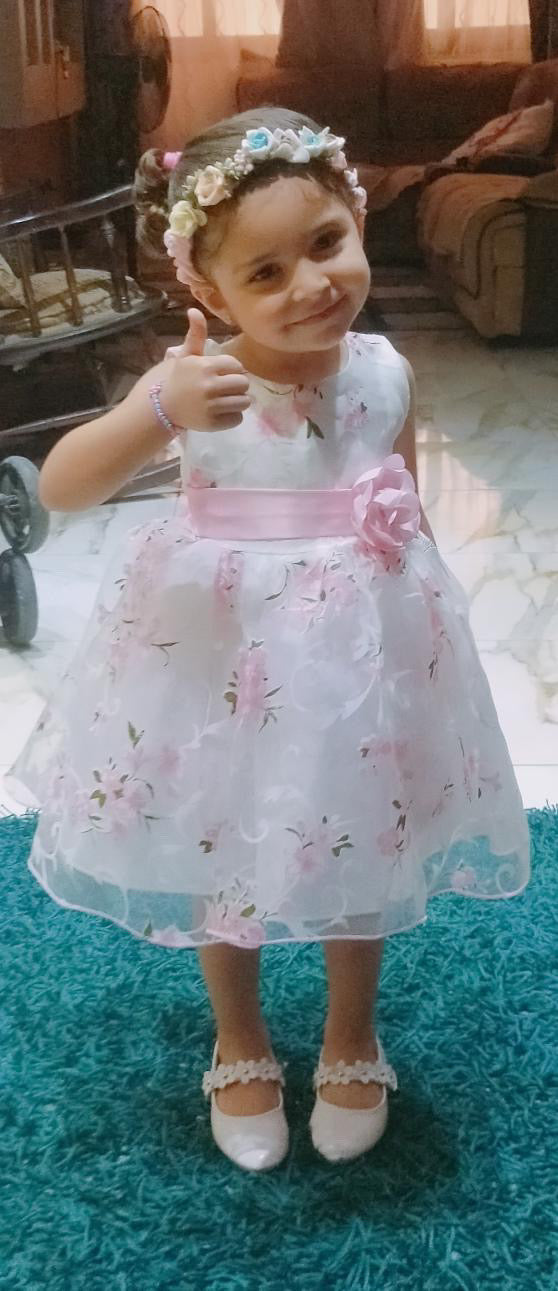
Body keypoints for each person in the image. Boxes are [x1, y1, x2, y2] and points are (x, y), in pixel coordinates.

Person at [9, 108, 531, 1174]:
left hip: (361, 656)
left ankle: (351, 1031)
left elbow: (398, 492)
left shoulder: (384, 368)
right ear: (209, 294)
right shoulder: (199, 385)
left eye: (328, 243)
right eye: (265, 271)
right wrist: (156, 408)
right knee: (222, 836)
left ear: (358, 220)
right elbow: (62, 486)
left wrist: (427, 620)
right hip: (227, 655)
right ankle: (238, 1033)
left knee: (361, 834)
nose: (310, 285)